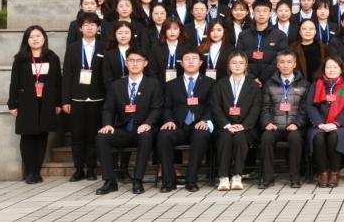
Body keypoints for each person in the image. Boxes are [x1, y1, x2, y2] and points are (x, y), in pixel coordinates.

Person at [95, 48, 162, 195]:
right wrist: (107, 124)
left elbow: (157, 108)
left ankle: (137, 180)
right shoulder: (116, 85)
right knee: (102, 137)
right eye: (131, 60)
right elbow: (108, 109)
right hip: (123, 129)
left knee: (146, 135)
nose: (135, 64)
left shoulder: (153, 84)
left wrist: (148, 123)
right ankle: (110, 181)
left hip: (143, 128)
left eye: (139, 61)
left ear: (145, 63)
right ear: (126, 63)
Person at [8, 25, 62, 184]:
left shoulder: (52, 57)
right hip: (27, 102)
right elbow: (14, 82)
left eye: (38, 36)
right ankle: (29, 171)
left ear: (44, 37)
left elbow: (58, 82)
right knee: (28, 136)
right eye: (31, 37)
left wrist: (58, 103)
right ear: (27, 40)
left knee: (42, 136)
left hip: (47, 103)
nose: (35, 39)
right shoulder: (21, 59)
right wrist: (12, 104)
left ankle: (37, 170)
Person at [157, 47, 214, 193]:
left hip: (199, 125)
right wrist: (168, 120)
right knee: (163, 136)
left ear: (200, 63)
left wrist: (205, 120)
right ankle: (168, 181)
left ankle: (191, 180)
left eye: (194, 59)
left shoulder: (210, 83)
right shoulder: (172, 84)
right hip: (178, 126)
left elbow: (212, 106)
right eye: (187, 59)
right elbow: (167, 106)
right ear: (181, 63)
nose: (190, 62)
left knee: (201, 136)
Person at [62, 12, 106, 182]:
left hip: (97, 98)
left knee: (93, 136)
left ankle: (91, 169)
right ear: (80, 28)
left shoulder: (104, 47)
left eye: (93, 24)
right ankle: (79, 169)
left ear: (98, 28)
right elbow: (67, 75)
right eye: (86, 25)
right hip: (77, 99)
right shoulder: (72, 48)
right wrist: (65, 100)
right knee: (77, 136)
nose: (89, 27)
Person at [212, 51, 261, 191]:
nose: (237, 66)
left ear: (246, 65)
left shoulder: (253, 86)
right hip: (225, 126)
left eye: (241, 63)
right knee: (225, 137)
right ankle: (223, 177)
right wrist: (227, 125)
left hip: (246, 127)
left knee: (240, 137)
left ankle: (237, 175)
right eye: (234, 63)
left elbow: (256, 108)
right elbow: (216, 107)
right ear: (229, 65)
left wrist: (243, 125)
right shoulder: (220, 84)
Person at [259, 50, 309, 188]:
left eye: (289, 62)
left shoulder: (304, 84)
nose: (285, 65)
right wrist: (267, 123)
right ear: (277, 64)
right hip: (275, 125)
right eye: (282, 62)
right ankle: (267, 178)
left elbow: (304, 109)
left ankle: (295, 178)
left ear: (294, 64)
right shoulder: (269, 83)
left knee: (295, 138)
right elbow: (265, 107)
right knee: (266, 137)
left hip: (294, 126)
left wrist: (297, 123)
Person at [307, 56, 344, 188]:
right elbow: (310, 106)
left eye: (335, 67)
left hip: (342, 125)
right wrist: (320, 124)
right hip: (319, 124)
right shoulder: (316, 84)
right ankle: (323, 173)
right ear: (323, 69)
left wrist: (336, 123)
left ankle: (334, 173)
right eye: (328, 67)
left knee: (334, 136)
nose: (331, 70)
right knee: (318, 137)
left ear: (341, 69)